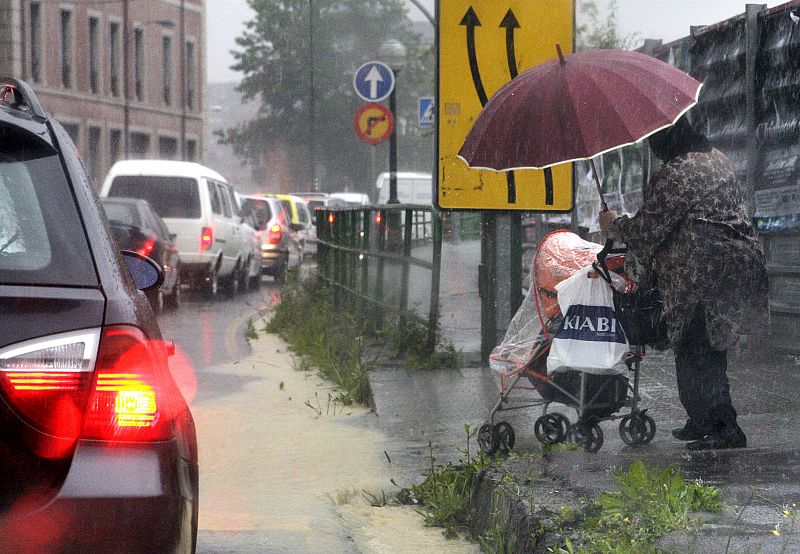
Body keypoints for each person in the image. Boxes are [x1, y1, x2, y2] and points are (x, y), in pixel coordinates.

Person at [599, 114, 769, 451]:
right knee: (708, 345)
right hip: (736, 267)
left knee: (696, 349)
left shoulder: (677, 173)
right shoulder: (716, 159)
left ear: (665, 141)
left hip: (702, 275)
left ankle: (724, 428)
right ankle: (702, 419)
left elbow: (646, 230)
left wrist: (613, 224)